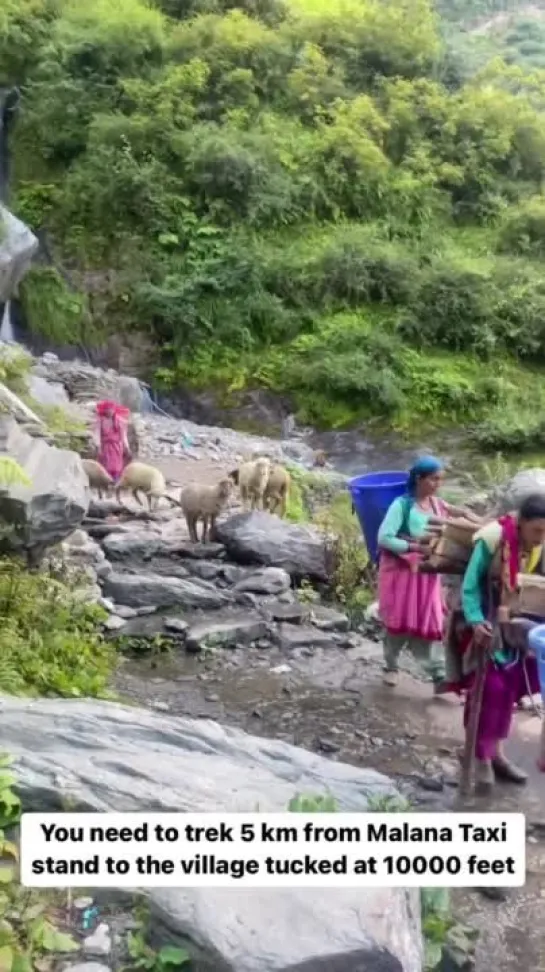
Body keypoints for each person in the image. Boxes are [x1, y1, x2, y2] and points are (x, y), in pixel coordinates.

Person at [444, 493, 545, 791]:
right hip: (480, 619)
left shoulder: (539, 546)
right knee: (488, 690)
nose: (541, 537)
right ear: (522, 523)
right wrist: (476, 621)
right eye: (537, 530)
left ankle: (496, 753)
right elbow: (471, 585)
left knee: (510, 692)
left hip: (514, 623)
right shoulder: (491, 539)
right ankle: (478, 756)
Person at [377, 455, 479, 691]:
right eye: (434, 479)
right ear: (419, 479)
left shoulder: (437, 505)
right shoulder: (401, 506)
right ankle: (391, 666)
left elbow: (455, 519)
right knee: (399, 621)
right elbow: (384, 538)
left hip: (427, 573)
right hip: (401, 574)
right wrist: (414, 547)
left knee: (430, 620)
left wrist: (470, 517)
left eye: (440, 479)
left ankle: (438, 675)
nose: (438, 484)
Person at [94, 400, 131, 482]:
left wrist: (126, 447)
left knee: (117, 465)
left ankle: (116, 480)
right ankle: (106, 480)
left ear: (114, 410)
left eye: (111, 410)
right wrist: (98, 446)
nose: (110, 411)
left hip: (117, 446)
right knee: (106, 464)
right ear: (105, 410)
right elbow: (97, 434)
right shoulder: (100, 421)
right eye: (108, 410)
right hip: (105, 446)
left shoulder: (120, 421)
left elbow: (123, 435)